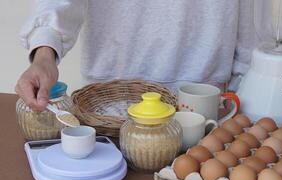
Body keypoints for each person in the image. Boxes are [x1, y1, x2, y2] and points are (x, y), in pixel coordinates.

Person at [15, 0, 255, 111]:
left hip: (203, 104)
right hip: (112, 103)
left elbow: (253, 22)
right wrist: (44, 56)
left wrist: (245, 84)